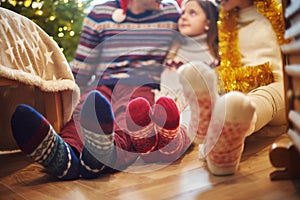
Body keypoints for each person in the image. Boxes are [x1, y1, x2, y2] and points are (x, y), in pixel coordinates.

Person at [10, 0, 194, 180]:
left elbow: (194, 38)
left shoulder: (170, 12)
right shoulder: (99, 14)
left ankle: (106, 155)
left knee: (131, 116)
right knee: (85, 109)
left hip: (142, 84)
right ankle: (67, 156)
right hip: (103, 84)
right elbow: (82, 66)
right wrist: (68, 95)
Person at [179, 0, 289, 176]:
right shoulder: (227, 19)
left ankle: (223, 122)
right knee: (225, 94)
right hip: (240, 88)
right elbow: (229, 66)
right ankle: (220, 148)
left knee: (259, 98)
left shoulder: (281, 7)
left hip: (282, 87)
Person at [157, 0, 219, 145]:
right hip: (163, 104)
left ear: (208, 23)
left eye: (192, 13)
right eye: (183, 13)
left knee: (191, 116)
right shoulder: (173, 51)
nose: (184, 17)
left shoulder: (212, 56)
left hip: (190, 110)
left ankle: (175, 141)